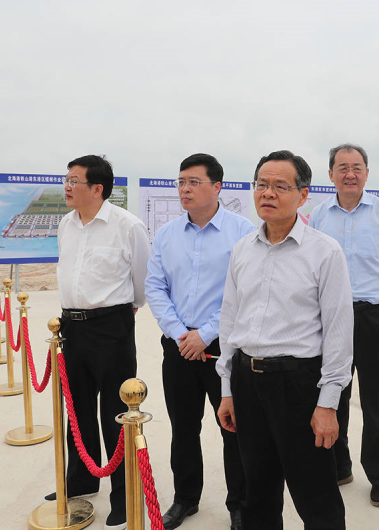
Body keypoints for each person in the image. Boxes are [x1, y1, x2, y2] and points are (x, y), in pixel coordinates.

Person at [216, 150, 354, 529]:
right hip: (247, 381)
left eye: (280, 186)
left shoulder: (325, 252)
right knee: (257, 492)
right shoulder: (242, 249)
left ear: (303, 195)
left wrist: (328, 404)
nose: (268, 193)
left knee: (316, 494)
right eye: (261, 184)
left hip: (298, 386)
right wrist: (227, 389)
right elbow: (230, 322)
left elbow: (339, 333)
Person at [145, 153, 253, 530]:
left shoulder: (242, 231)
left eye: (194, 182)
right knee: (183, 428)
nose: (185, 189)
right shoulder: (167, 234)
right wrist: (180, 334)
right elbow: (155, 287)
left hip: (224, 347)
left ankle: (240, 505)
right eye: (181, 182)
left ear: (217, 186)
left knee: (233, 429)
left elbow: (242, 291)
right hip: (178, 347)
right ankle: (185, 499)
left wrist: (205, 334)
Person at [53, 154, 150, 530]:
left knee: (116, 412)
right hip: (71, 326)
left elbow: (141, 280)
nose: (66, 187)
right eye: (66, 179)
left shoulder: (127, 225)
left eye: (73, 181)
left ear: (97, 188)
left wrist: (124, 311)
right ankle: (81, 480)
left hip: (111, 327)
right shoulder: (66, 223)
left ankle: (123, 496)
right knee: (76, 408)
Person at [308, 143, 379, 507]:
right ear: (330, 174)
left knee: (376, 398)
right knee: (333, 393)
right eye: (342, 167)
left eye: (357, 167)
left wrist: (373, 293)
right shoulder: (319, 215)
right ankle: (339, 466)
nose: (350, 174)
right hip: (331, 317)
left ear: (366, 173)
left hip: (374, 316)